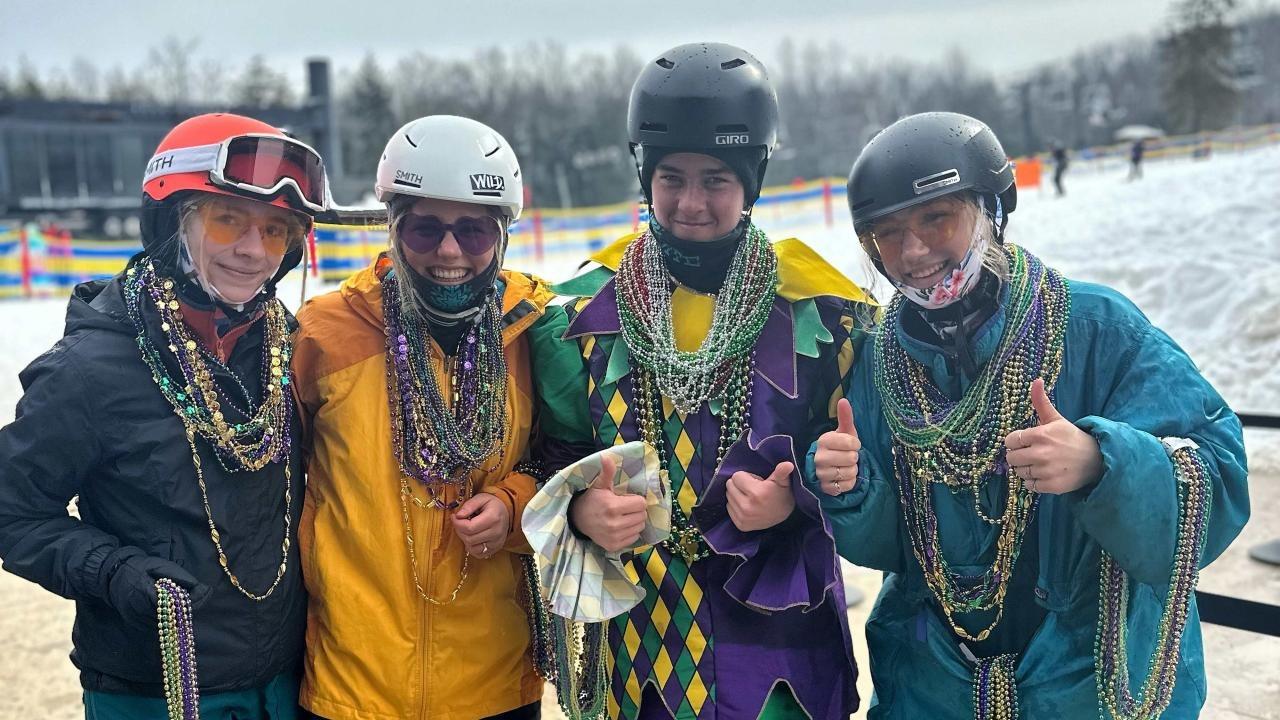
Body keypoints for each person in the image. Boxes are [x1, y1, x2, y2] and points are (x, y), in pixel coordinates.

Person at [815, 111, 1250, 718]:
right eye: (888, 233)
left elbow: (1219, 476)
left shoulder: (1097, 328)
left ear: (991, 210)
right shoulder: (877, 363)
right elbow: (899, 552)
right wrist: (852, 490)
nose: (912, 251)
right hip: (933, 688)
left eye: (936, 218)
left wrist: (1102, 464)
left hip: (1092, 688)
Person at [530, 42, 869, 720]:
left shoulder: (827, 316)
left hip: (780, 660)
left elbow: (869, 476)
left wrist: (796, 498)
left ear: (752, 180)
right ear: (644, 177)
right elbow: (549, 459)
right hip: (643, 658)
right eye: (671, 178)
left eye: (715, 179)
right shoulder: (579, 322)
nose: (691, 202)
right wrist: (581, 512)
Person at [0, 112, 327, 718]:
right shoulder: (87, 370)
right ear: (171, 220)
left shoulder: (286, 347)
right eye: (228, 219)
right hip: (153, 692)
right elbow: (12, 511)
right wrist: (112, 571)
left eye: (276, 230)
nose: (253, 250)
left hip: (284, 681)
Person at [291, 115, 569, 720]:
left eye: (473, 230)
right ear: (392, 227)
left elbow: (571, 463)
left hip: (493, 685)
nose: (449, 252)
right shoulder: (324, 332)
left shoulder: (537, 331)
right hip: (351, 688)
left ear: (501, 235)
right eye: (424, 229)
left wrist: (514, 507)